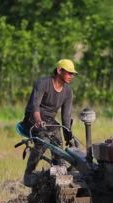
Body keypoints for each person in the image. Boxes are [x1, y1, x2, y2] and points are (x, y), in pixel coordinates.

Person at [20, 59, 77, 187]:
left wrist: (69, 136)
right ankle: (28, 174)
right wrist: (38, 121)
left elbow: (66, 117)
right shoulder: (43, 83)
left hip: (50, 120)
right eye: (69, 73)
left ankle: (59, 172)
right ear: (59, 71)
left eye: (73, 74)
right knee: (43, 139)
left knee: (57, 141)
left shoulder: (68, 92)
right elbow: (35, 106)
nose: (71, 76)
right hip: (32, 118)